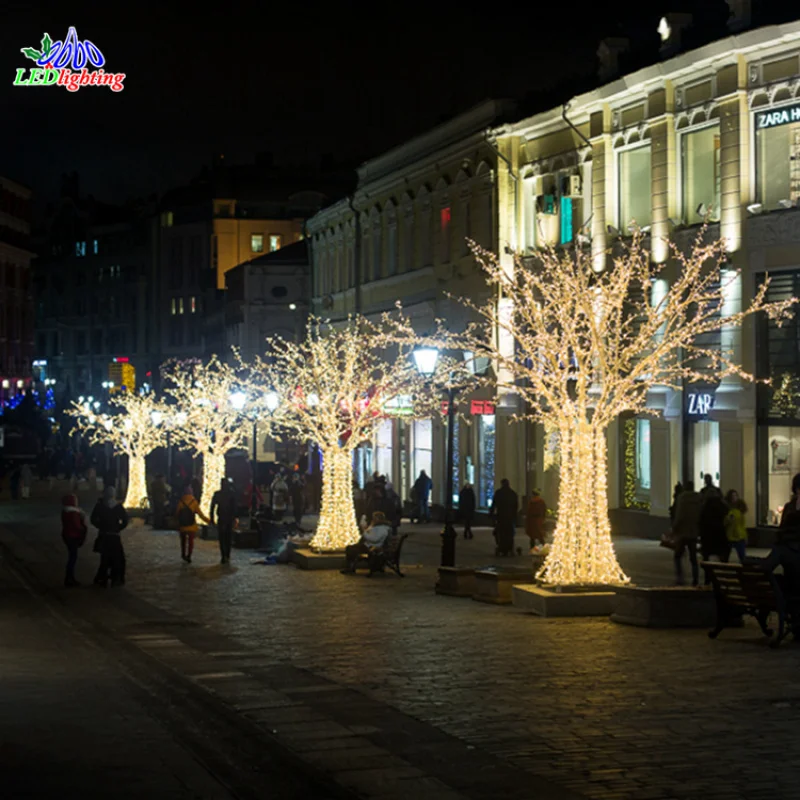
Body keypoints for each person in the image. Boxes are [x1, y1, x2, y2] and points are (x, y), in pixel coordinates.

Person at [91, 486, 129, 587]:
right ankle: (115, 577)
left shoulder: (100, 506)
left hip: (104, 535)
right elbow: (125, 520)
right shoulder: (118, 507)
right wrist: (118, 527)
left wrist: (101, 526)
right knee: (117, 558)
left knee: (105, 557)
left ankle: (102, 578)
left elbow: (93, 519)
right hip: (114, 535)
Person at [672, 480, 702, 586]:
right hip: (693, 532)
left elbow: (679, 515)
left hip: (683, 532)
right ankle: (695, 578)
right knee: (693, 557)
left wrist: (675, 528)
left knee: (677, 556)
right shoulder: (699, 498)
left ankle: (680, 577)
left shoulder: (682, 498)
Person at [698, 489, 730, 576]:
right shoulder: (723, 505)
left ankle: (707, 578)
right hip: (720, 534)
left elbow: (700, 521)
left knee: (706, 557)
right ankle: (723, 576)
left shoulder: (704, 506)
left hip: (707, 535)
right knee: (722, 557)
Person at [176, 484, 210, 563]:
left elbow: (177, 513)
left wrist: (176, 521)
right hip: (191, 525)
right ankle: (189, 555)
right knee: (191, 541)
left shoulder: (181, 501)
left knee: (183, 540)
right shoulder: (194, 502)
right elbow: (200, 514)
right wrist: (208, 521)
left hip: (183, 525)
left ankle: (183, 554)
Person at [61, 493, 89, 587]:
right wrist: (83, 528)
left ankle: (69, 577)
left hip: (67, 536)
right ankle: (69, 578)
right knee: (72, 558)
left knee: (72, 557)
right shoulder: (73, 513)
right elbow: (77, 526)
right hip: (73, 537)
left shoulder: (66, 511)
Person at [210, 477, 237, 564]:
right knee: (227, 537)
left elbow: (213, 507)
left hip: (222, 518)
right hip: (228, 518)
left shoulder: (218, 494)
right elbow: (234, 508)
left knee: (222, 538)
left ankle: (224, 555)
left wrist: (211, 518)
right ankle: (227, 555)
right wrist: (234, 518)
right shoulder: (231, 494)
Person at [491, 478, 519, 556]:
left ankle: (502, 547)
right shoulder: (512, 493)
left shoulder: (499, 493)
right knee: (509, 533)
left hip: (501, 516)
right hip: (510, 517)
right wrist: (514, 516)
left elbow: (494, 504)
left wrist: (491, 514)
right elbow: (516, 506)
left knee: (501, 532)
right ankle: (509, 547)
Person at [724, 489, 748, 563]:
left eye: (735, 496)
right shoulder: (734, 511)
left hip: (738, 534)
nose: (734, 498)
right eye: (733, 496)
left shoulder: (736, 511)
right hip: (733, 535)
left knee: (741, 555)